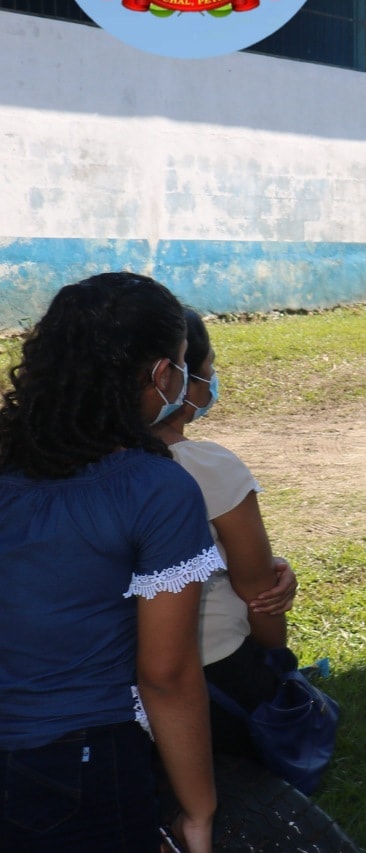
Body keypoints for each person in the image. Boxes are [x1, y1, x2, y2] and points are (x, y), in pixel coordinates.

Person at [0, 273, 220, 853]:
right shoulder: (156, 489)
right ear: (160, 374)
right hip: (76, 764)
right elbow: (166, 676)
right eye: (178, 363)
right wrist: (198, 810)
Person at [150, 309, 301, 757]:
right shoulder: (207, 467)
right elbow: (260, 594)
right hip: (212, 679)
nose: (212, 385)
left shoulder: (55, 462)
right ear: (173, 379)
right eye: (208, 373)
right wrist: (278, 670)